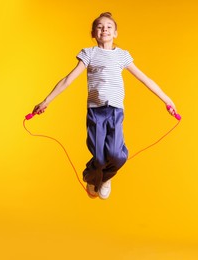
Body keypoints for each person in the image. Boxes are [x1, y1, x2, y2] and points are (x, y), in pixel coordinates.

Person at [32, 12, 177, 200]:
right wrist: (46, 101)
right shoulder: (89, 54)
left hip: (115, 111)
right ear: (93, 33)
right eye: (100, 27)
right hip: (95, 112)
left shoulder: (122, 56)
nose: (104, 29)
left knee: (117, 156)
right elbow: (67, 80)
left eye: (109, 26)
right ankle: (91, 179)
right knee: (99, 158)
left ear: (115, 33)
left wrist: (167, 100)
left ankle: (105, 178)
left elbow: (145, 79)